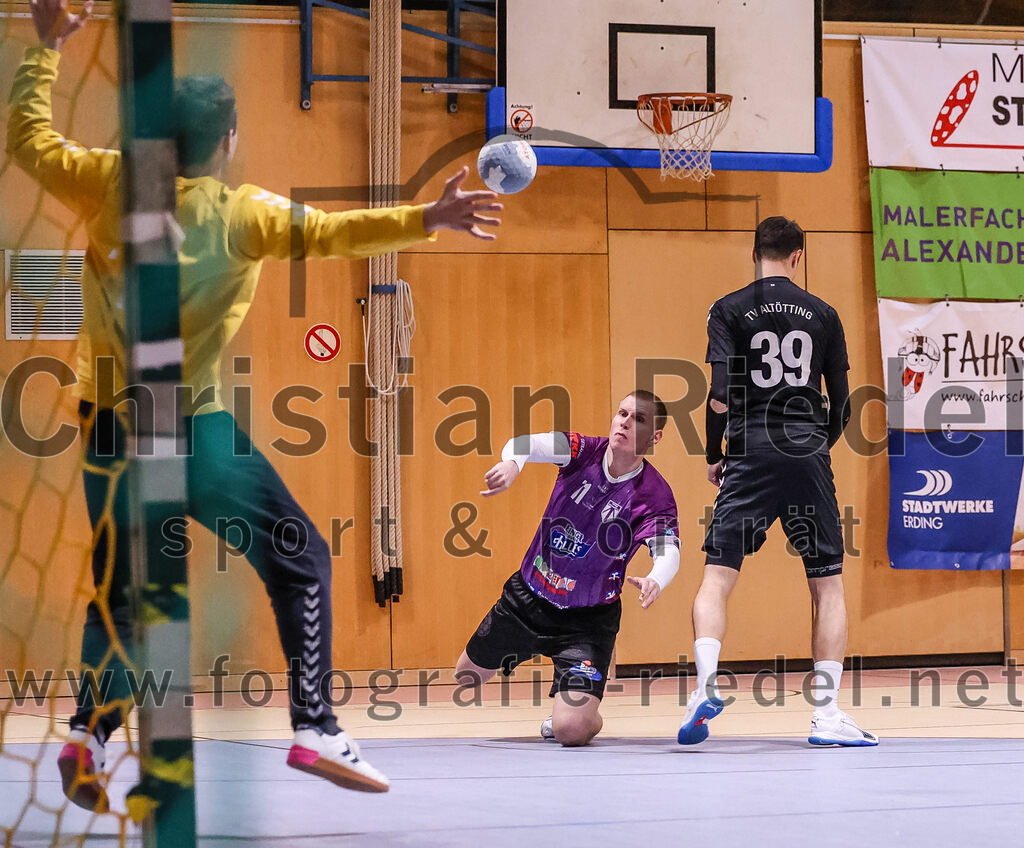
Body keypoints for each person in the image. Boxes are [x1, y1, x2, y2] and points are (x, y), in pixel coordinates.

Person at [8, 0, 502, 811]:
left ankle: (86, 739)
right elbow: (343, 233)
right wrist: (431, 218)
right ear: (229, 142)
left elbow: (28, 140)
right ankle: (314, 727)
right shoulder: (247, 216)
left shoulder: (107, 182)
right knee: (300, 555)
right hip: (187, 429)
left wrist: (47, 49)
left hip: (104, 427)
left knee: (124, 591)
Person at [678, 216, 877, 747]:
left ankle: (703, 687)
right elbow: (843, 403)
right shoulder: (825, 314)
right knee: (827, 583)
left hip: (749, 449)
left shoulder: (727, 308)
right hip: (806, 450)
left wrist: (714, 452)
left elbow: (719, 393)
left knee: (718, 576)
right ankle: (827, 716)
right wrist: (816, 447)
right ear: (797, 256)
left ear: (754, 254)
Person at [455, 391, 680, 746]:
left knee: (570, 731)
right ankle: (528, 651)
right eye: (621, 413)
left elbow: (668, 552)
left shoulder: (655, 495)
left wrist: (656, 578)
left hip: (587, 623)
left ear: (655, 437)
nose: (624, 422)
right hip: (527, 600)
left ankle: (585, 713)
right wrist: (514, 463)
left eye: (637, 419)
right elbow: (527, 443)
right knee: (466, 677)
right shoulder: (582, 451)